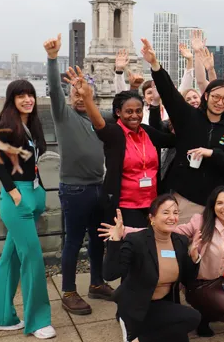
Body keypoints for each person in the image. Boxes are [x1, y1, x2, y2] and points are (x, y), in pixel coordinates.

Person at [103, 187, 224, 339]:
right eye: (220, 203)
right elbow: (166, 230)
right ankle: (205, 314)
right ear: (213, 206)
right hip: (202, 285)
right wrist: (123, 231)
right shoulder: (200, 222)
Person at [44, 34, 114, 315]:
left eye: (83, 90)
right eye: (73, 90)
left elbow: (126, 111)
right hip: (75, 189)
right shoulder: (64, 116)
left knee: (98, 239)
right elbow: (53, 90)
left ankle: (96, 283)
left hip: (99, 185)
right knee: (73, 241)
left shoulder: (101, 119)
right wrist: (52, 59)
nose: (78, 94)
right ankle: (69, 291)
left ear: (92, 95)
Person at [0, 80, 54, 339]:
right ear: (12, 99)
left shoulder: (29, 126)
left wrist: (40, 192)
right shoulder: (6, 126)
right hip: (17, 200)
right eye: (21, 95)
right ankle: (38, 321)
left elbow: (33, 165)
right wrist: (15, 195)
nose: (27, 99)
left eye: (30, 95)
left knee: (10, 259)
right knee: (32, 259)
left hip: (30, 195)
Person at [143, 38, 224, 223]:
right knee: (179, 245)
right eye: (216, 97)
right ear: (206, 96)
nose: (219, 102)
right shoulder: (188, 117)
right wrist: (155, 64)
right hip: (183, 198)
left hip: (214, 204)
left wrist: (212, 153)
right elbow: (169, 93)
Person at [70, 67, 175, 228]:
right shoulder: (115, 133)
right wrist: (87, 98)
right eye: (129, 111)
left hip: (152, 205)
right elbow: (99, 123)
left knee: (150, 249)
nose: (135, 116)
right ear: (118, 112)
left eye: (138, 111)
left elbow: (174, 140)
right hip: (124, 206)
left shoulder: (147, 132)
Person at [102, 195, 202, 342]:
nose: (172, 217)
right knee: (193, 317)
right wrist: (115, 240)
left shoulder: (180, 241)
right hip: (137, 306)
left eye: (175, 213)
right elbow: (110, 274)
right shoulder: (137, 241)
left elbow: (189, 282)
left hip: (162, 305)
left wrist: (194, 259)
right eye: (166, 213)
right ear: (152, 218)